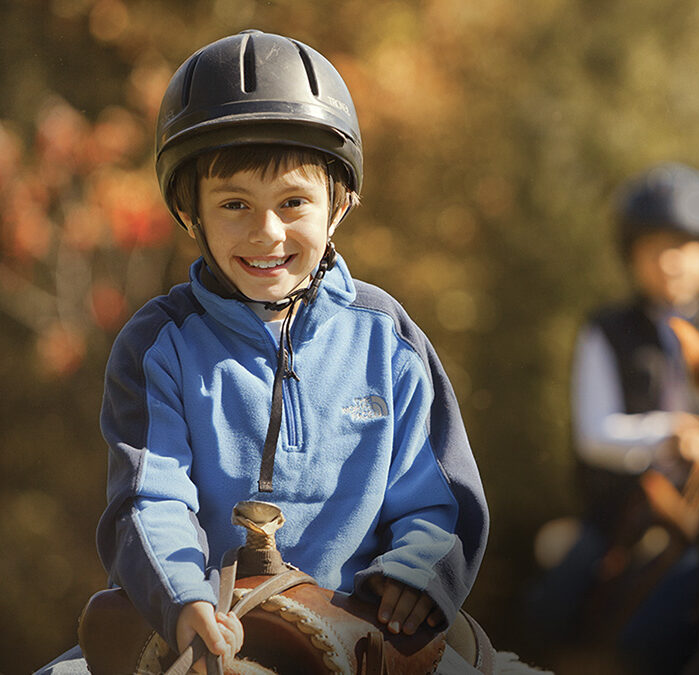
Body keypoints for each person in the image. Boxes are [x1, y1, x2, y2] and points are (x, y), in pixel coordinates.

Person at [36, 29, 488, 674]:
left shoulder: (387, 336)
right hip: (204, 621)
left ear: (340, 203)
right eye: (235, 204)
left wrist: (415, 578)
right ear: (191, 213)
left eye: (294, 202)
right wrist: (182, 598)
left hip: (361, 625)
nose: (267, 232)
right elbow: (150, 498)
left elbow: (434, 494)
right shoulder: (156, 345)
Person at [528, 162, 699, 672]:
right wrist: (667, 433)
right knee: (547, 611)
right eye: (654, 246)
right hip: (620, 510)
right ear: (631, 257)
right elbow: (594, 434)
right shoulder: (605, 330)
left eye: (685, 246)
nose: (669, 261)